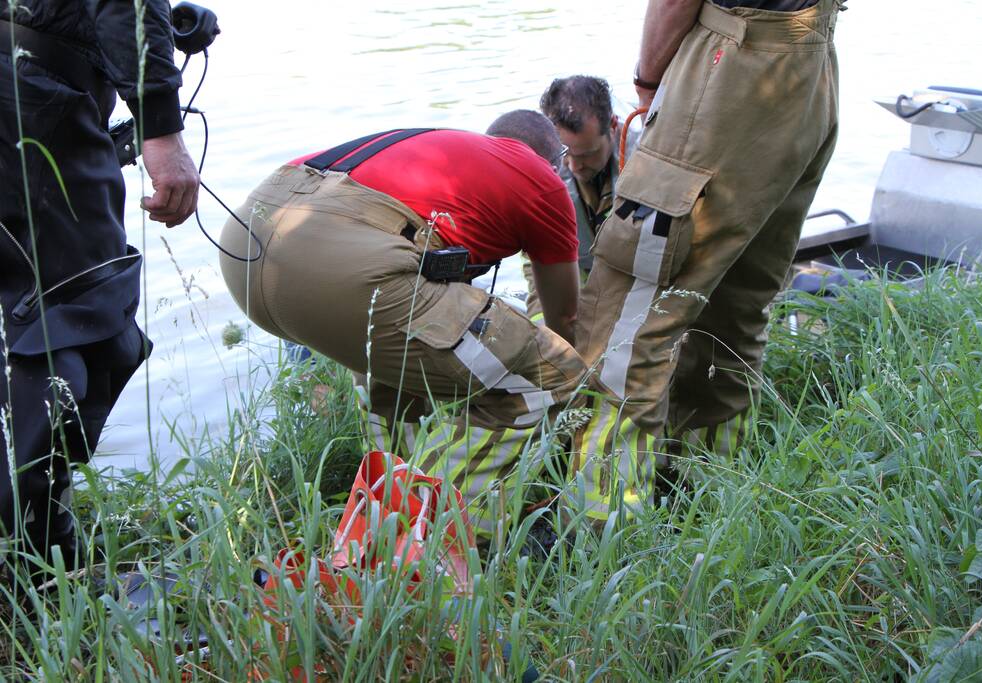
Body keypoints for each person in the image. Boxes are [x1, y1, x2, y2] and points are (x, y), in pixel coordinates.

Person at [219, 112, 589, 535]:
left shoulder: (441, 147)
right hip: (339, 262)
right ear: (554, 159)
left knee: (396, 372)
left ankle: (383, 512)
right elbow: (565, 316)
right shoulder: (539, 178)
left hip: (246, 248)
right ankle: (439, 537)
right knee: (552, 374)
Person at [571, 0, 842, 522]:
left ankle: (602, 523)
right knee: (736, 304)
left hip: (734, 62)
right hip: (813, 67)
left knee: (627, 318)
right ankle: (705, 492)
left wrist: (650, 80)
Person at [0, 0, 199, 571]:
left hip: (34, 78)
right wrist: (160, 126)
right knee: (75, 317)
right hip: (35, 97)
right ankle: (40, 571)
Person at [522, 75, 639, 322]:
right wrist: (544, 329)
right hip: (576, 265)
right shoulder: (538, 156)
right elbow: (536, 259)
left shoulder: (646, 155)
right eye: (566, 154)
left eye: (587, 154)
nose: (575, 167)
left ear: (613, 127)